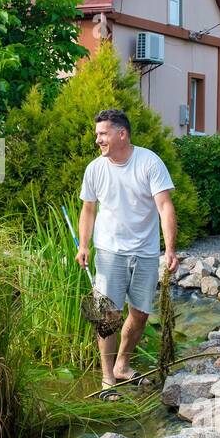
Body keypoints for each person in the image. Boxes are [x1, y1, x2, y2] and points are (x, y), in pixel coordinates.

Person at [75, 108, 179, 400]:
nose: (98, 140)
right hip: (109, 251)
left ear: (121, 134)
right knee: (107, 316)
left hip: (145, 252)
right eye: (97, 134)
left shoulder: (149, 162)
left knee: (140, 315)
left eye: (103, 133)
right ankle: (107, 377)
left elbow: (165, 207)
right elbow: (88, 209)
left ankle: (122, 364)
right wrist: (84, 245)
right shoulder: (95, 168)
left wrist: (170, 248)